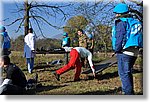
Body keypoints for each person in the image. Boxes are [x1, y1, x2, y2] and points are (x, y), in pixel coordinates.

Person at [112, 3, 143, 95]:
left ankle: (128, 94)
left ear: (120, 13)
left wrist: (116, 49)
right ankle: (130, 92)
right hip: (135, 51)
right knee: (128, 72)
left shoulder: (122, 22)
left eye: (116, 13)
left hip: (124, 51)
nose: (115, 15)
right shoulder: (135, 21)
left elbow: (120, 37)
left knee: (123, 74)